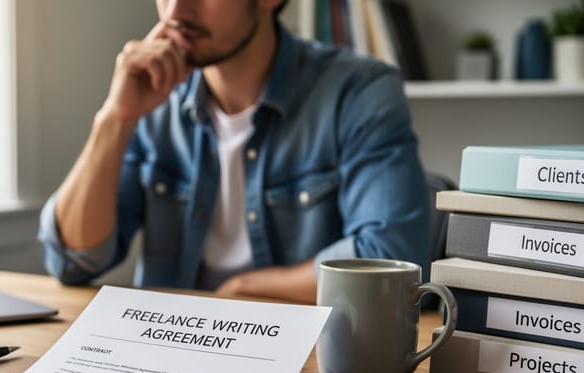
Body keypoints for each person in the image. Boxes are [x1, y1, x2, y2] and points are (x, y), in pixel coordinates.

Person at [38, 0, 429, 304]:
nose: (175, 12)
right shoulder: (155, 97)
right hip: (168, 353)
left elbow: (390, 259)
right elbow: (72, 261)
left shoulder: (359, 92)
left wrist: (246, 288)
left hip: (309, 360)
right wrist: (115, 119)